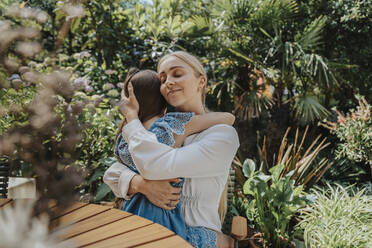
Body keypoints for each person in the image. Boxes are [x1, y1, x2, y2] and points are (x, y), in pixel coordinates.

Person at [104, 51, 239, 247]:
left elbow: (157, 165)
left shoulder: (222, 135)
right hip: (148, 232)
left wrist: (132, 119)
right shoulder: (157, 130)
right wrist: (142, 185)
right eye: (162, 78)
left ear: (201, 81)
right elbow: (113, 173)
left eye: (177, 74)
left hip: (194, 239)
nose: (168, 82)